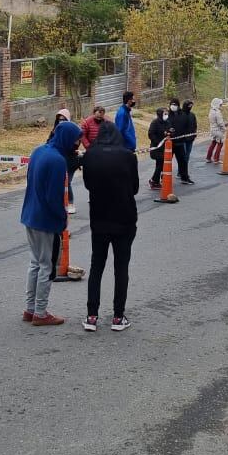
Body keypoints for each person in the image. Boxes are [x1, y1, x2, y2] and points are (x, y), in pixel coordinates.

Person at [20, 119, 82, 326]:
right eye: (76, 141)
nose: (78, 145)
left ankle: (30, 309)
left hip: (30, 214)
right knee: (47, 266)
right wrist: (62, 220)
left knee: (35, 263)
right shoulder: (57, 161)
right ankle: (40, 312)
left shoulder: (38, 151)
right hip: (46, 220)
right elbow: (54, 196)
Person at [81, 120, 139, 332]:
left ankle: (91, 315)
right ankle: (118, 316)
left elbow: (87, 184)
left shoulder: (90, 156)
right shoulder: (128, 156)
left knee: (97, 265)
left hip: (99, 218)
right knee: (121, 267)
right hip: (124, 218)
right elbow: (134, 188)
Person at [172, 99, 197, 184]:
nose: (190, 107)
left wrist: (193, 135)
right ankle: (180, 173)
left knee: (186, 157)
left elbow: (194, 125)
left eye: (191, 105)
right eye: (189, 105)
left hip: (189, 139)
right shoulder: (179, 115)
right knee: (181, 158)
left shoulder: (192, 115)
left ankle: (183, 174)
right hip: (181, 140)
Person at [147, 107, 171, 188]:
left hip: (165, 147)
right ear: (160, 114)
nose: (166, 115)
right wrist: (159, 142)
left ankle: (156, 181)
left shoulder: (167, 122)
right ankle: (153, 180)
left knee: (160, 164)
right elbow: (151, 134)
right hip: (157, 148)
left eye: (167, 113)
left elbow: (168, 131)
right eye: (165, 113)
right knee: (160, 164)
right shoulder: (155, 122)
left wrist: (170, 133)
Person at [205, 97, 226, 163]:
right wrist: (224, 129)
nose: (221, 105)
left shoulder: (211, 111)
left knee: (213, 143)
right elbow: (220, 123)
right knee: (220, 144)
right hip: (218, 130)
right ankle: (216, 159)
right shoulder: (217, 112)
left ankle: (208, 158)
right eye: (220, 104)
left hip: (212, 129)